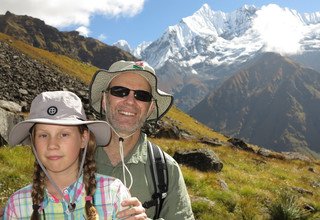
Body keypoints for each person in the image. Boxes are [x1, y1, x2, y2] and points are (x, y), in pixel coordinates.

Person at [2, 91, 147, 219]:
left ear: (83, 138)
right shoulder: (17, 206)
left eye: (64, 134)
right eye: (43, 135)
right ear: (33, 142)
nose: (52, 145)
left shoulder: (113, 194)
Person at [89, 60, 194, 219]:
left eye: (142, 95)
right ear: (104, 100)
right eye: (119, 91)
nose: (130, 101)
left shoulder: (167, 169)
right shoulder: (74, 155)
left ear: (150, 108)